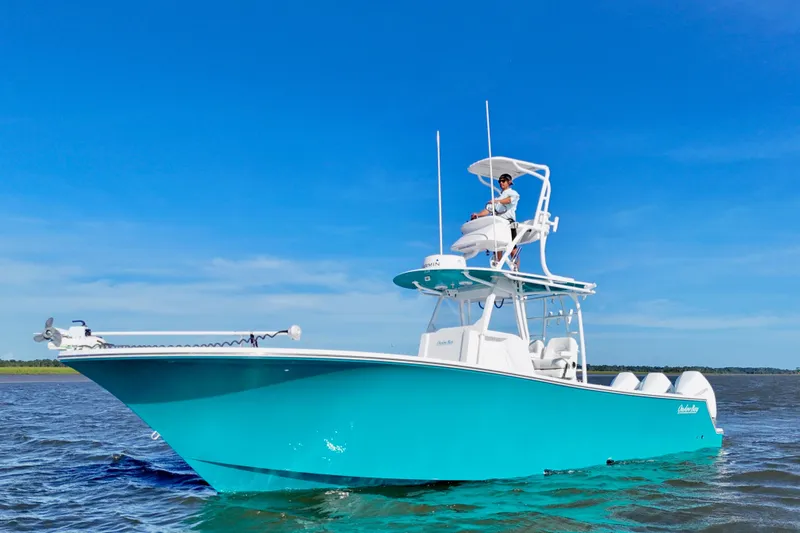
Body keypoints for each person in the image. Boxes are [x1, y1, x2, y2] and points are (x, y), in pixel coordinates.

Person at [470, 173, 521, 269]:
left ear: (509, 182)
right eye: (500, 181)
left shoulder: (513, 193)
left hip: (508, 223)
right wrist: (478, 215)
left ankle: (516, 269)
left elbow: (509, 200)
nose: (501, 183)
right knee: (497, 245)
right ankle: (498, 268)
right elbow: (488, 210)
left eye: (503, 181)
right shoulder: (498, 198)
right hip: (498, 223)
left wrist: (496, 201)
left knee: (512, 247)